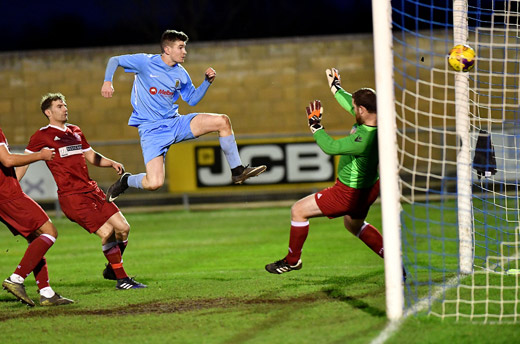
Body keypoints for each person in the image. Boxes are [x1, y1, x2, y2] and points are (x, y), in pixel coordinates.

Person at [101, 29, 266, 201]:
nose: (184, 52)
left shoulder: (181, 73)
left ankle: (238, 172)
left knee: (222, 121)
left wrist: (206, 83)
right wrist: (107, 82)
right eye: (180, 47)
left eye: (184, 47)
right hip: (152, 131)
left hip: (175, 123)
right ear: (167, 49)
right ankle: (127, 181)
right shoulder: (145, 62)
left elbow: (192, 99)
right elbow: (115, 60)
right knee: (154, 183)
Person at [16, 93, 146, 290]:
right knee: (108, 232)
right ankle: (122, 279)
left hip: (92, 190)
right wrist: (12, 186)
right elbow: (24, 162)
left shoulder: (75, 130)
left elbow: (91, 155)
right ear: (48, 112)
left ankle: (113, 268)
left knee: (123, 228)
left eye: (65, 104)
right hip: (72, 197)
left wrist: (110, 162)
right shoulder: (41, 135)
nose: (65, 108)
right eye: (60, 106)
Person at [265, 68, 386, 275]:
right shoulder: (379, 119)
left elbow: (330, 147)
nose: (353, 109)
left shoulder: (364, 139)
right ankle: (394, 260)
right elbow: (351, 103)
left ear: (363, 111)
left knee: (299, 211)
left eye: (356, 108)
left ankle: (292, 260)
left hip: (348, 193)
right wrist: (336, 88)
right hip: (370, 187)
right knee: (354, 225)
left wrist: (315, 126)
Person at [0, 128, 74, 306]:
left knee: (36, 239)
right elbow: (7, 160)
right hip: (7, 194)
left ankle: (46, 292)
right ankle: (16, 279)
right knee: (49, 232)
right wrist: (40, 156)